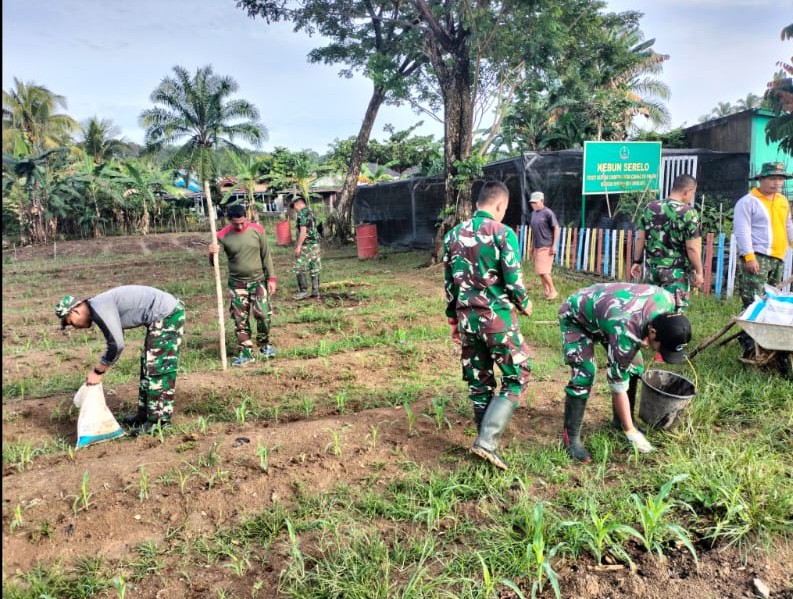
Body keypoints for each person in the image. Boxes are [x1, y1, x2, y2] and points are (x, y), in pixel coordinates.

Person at [443, 180, 533, 470]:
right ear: (499, 205)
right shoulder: (503, 233)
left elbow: (449, 284)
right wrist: (524, 303)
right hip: (497, 320)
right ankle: (487, 441)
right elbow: (514, 278)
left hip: (468, 320)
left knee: (479, 381)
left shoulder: (453, 235)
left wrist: (453, 319)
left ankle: (484, 441)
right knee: (517, 376)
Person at [558, 282, 692, 462]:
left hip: (609, 313)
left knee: (635, 365)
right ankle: (571, 439)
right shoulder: (626, 331)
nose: (659, 352)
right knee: (585, 373)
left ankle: (620, 422)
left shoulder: (668, 304)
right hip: (577, 314)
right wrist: (631, 432)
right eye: (662, 348)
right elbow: (617, 385)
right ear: (652, 332)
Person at [55, 286, 185, 435]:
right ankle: (144, 416)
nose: (75, 327)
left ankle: (159, 422)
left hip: (167, 314)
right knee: (148, 366)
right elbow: (116, 339)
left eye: (70, 322)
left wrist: (98, 371)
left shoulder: (99, 307)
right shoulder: (98, 306)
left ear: (75, 311)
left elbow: (117, 345)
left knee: (158, 367)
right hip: (160, 316)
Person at [209, 203, 277, 367]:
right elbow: (214, 263)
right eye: (235, 223)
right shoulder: (221, 235)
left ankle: (264, 344)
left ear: (246, 217)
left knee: (263, 314)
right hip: (237, 284)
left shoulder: (257, 230)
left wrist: (272, 278)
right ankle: (246, 351)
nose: (239, 226)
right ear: (229, 220)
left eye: (242, 222)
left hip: (259, 281)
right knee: (240, 319)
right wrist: (212, 253)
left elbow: (266, 256)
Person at [630, 174, 704, 308]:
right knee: (674, 316)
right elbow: (692, 248)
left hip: (652, 271)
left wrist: (637, 261)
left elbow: (640, 237)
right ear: (687, 192)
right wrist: (699, 272)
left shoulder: (650, 207)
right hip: (675, 274)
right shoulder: (688, 213)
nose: (692, 197)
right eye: (693, 193)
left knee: (652, 311)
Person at [528, 190, 560, 300]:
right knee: (540, 271)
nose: (533, 205)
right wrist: (532, 247)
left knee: (543, 271)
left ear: (542, 201)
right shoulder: (533, 214)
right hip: (537, 246)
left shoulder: (548, 213)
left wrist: (554, 246)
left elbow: (556, 228)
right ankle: (547, 292)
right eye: (532, 203)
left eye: (535, 202)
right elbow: (535, 232)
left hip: (547, 246)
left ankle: (553, 291)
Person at [291, 195, 322, 300]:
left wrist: (298, 247)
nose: (294, 209)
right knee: (314, 267)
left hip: (306, 245)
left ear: (298, 203)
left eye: (293, 206)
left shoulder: (301, 214)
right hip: (315, 244)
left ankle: (303, 291)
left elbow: (303, 232)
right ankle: (315, 291)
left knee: (298, 267)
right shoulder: (311, 212)